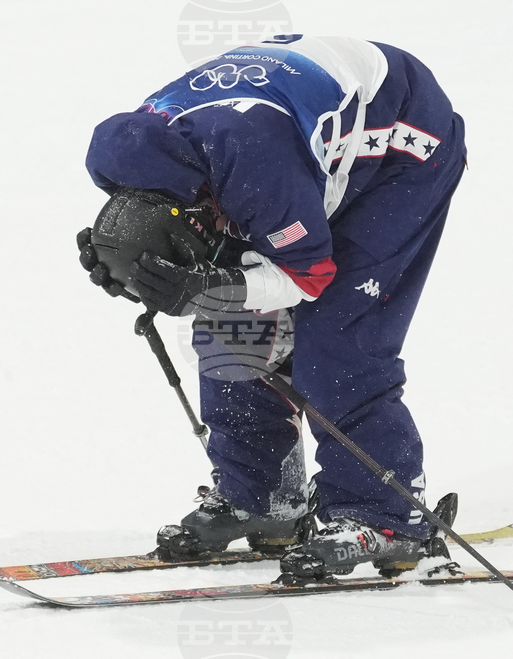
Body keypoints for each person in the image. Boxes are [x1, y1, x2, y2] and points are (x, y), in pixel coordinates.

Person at [78, 35, 466, 579]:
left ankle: (387, 517)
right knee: (230, 324)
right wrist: (126, 259)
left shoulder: (254, 168)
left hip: (401, 148)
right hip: (286, 142)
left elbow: (304, 277)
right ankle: (261, 495)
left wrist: (202, 287)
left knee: (337, 336)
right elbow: (185, 242)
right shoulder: (132, 164)